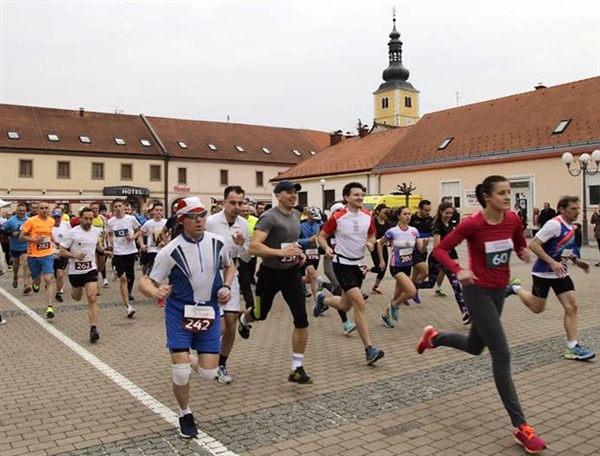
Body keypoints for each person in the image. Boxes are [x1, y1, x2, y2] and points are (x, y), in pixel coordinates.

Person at [417, 175, 547, 454]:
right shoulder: (472, 223)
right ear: (487, 196)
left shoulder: (512, 219)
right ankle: (522, 427)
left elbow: (515, 240)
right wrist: (458, 269)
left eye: (509, 192)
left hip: (499, 291)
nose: (507, 196)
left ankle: (433, 338)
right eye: (501, 192)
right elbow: (439, 250)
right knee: (501, 354)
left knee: (475, 346)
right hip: (477, 292)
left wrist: (522, 250)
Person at [139, 196, 235, 439]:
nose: (200, 220)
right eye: (193, 216)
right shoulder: (170, 250)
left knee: (208, 374)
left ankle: (190, 357)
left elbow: (230, 265)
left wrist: (226, 286)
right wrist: (155, 291)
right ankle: (185, 413)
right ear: (182, 220)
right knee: (181, 372)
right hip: (179, 313)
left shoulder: (217, 242)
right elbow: (145, 281)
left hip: (209, 312)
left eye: (202, 215)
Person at [237, 180, 313, 384]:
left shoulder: (297, 215)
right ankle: (244, 320)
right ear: (278, 195)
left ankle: (297, 368)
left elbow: (291, 241)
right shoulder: (269, 218)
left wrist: (298, 253)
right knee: (260, 314)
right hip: (269, 275)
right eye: (288, 192)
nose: (293, 195)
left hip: (291, 274)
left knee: (302, 320)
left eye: (295, 192)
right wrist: (280, 252)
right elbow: (254, 247)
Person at [506, 196, 595, 361]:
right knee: (537, 308)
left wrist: (577, 261)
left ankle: (572, 347)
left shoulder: (571, 227)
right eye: (573, 209)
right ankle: (515, 288)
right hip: (542, 273)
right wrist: (552, 262)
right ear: (562, 209)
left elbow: (563, 249)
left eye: (578, 208)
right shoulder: (554, 224)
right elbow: (533, 244)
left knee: (572, 306)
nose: (577, 212)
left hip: (561, 273)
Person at [315, 181, 385, 365]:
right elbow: (321, 236)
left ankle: (323, 300)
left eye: (362, 194)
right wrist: (327, 248)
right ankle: (369, 349)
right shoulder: (337, 217)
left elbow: (371, 236)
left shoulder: (368, 216)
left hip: (358, 265)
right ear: (346, 197)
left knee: (345, 305)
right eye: (356, 195)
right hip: (342, 264)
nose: (360, 197)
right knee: (359, 304)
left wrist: (370, 243)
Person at [205, 186, 250, 384]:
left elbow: (247, 257)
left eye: (240, 203)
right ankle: (206, 355)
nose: (237, 207)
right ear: (223, 202)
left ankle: (221, 364)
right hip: (210, 276)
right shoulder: (211, 222)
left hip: (232, 274)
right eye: (233, 203)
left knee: (231, 325)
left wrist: (241, 244)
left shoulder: (244, 224)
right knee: (219, 327)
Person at [413, 202, 470, 324]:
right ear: (441, 212)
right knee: (441, 284)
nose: (449, 215)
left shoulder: (450, 223)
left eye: (451, 213)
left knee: (445, 284)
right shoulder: (437, 226)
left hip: (448, 256)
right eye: (446, 213)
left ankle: (465, 313)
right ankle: (412, 286)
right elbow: (437, 247)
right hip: (437, 258)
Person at [60, 207, 110, 343]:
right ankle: (74, 293)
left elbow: (97, 246)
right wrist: (75, 255)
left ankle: (93, 328)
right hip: (75, 271)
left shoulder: (96, 231)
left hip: (90, 269)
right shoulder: (72, 233)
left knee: (92, 297)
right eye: (86, 218)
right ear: (80, 218)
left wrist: (105, 252)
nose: (88, 221)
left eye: (91, 218)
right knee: (77, 297)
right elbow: (62, 251)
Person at [378, 206, 424, 329]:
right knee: (411, 291)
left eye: (409, 214)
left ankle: (385, 315)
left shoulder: (414, 230)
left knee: (396, 296)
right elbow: (380, 244)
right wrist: (382, 260)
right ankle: (395, 306)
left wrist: (424, 245)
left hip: (407, 266)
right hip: (396, 267)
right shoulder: (392, 231)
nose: (408, 216)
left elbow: (420, 249)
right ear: (399, 216)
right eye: (405, 214)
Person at [20, 202, 58, 319]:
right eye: (41, 208)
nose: (44, 210)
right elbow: (21, 237)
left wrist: (55, 241)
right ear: (37, 210)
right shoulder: (31, 221)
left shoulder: (51, 221)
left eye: (46, 208)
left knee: (48, 279)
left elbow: (49, 233)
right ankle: (36, 283)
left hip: (47, 254)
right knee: (37, 279)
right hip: (33, 255)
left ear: (49, 209)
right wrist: (34, 240)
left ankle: (50, 307)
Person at [106, 198, 141, 317]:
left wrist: (133, 237)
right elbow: (109, 234)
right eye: (115, 206)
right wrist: (110, 245)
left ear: (123, 207)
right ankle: (128, 306)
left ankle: (128, 291)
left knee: (130, 276)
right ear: (113, 208)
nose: (118, 208)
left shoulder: (131, 219)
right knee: (123, 278)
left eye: (119, 206)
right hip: (118, 252)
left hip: (130, 251)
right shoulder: (111, 221)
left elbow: (139, 230)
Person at [2, 203, 32, 294]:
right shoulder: (11, 220)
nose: (22, 213)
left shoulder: (29, 220)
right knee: (16, 263)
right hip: (15, 246)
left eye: (23, 211)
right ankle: (15, 276)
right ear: (16, 211)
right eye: (20, 211)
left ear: (26, 211)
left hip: (26, 246)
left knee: (25, 263)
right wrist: (11, 234)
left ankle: (26, 285)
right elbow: (2, 230)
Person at [408, 199, 433, 304]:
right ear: (419, 209)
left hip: (423, 250)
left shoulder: (430, 220)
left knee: (416, 274)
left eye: (429, 210)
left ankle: (412, 292)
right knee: (426, 271)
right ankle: (408, 290)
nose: (428, 213)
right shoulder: (412, 219)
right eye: (426, 210)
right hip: (412, 250)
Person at [298, 206, 323, 304]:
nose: (315, 221)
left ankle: (294, 282)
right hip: (304, 252)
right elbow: (295, 240)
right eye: (313, 218)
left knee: (310, 277)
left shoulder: (319, 225)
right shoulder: (300, 225)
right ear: (308, 215)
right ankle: (318, 302)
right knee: (313, 275)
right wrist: (308, 240)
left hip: (315, 253)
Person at [138, 202, 167, 277]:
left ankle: (150, 281)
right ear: (153, 211)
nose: (158, 212)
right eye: (156, 210)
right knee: (152, 267)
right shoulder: (148, 223)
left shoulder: (165, 222)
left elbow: (170, 234)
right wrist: (142, 245)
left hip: (163, 249)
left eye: (160, 210)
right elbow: (140, 235)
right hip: (152, 249)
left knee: (159, 271)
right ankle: (148, 280)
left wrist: (166, 242)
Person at [51, 208, 71, 303]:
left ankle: (58, 292)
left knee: (60, 273)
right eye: (55, 217)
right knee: (54, 273)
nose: (57, 219)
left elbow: (71, 236)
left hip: (62, 252)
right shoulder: (49, 226)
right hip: (50, 252)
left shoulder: (66, 224)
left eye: (58, 217)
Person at [369, 203, 389, 294]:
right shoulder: (373, 221)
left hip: (384, 246)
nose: (386, 214)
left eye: (387, 212)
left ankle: (375, 287)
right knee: (379, 267)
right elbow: (370, 234)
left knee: (384, 268)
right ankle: (366, 269)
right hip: (375, 246)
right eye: (384, 212)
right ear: (378, 211)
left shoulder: (387, 222)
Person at [90, 203, 110, 288]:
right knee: (94, 263)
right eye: (93, 208)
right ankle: (95, 281)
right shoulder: (89, 219)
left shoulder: (103, 218)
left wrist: (109, 243)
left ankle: (103, 276)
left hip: (102, 244)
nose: (95, 210)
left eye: (96, 208)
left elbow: (107, 231)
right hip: (92, 245)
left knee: (101, 265)